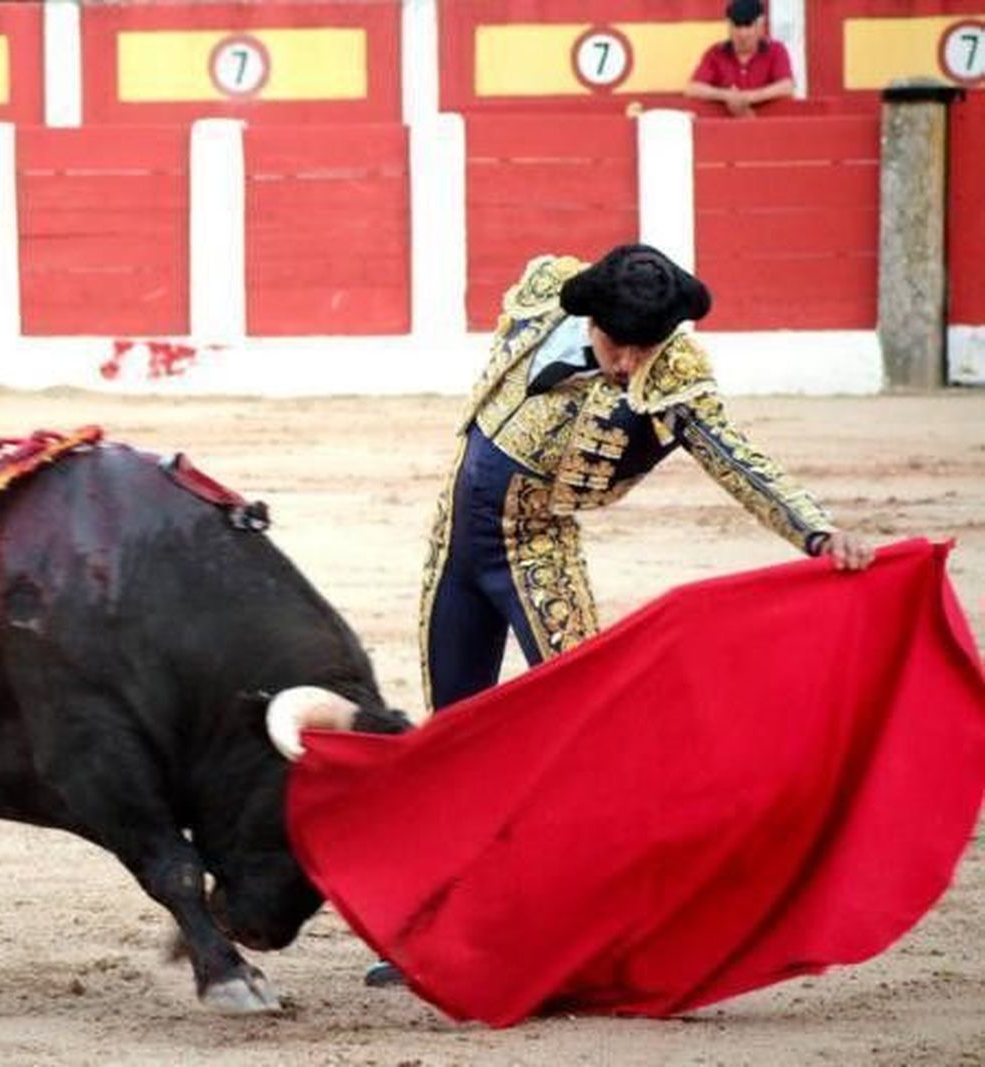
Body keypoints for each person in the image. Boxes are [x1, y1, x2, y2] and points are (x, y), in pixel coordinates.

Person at [365, 244, 872, 988]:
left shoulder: (676, 382)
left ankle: (589, 926)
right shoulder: (544, 293)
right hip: (455, 540)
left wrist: (817, 532)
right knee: (452, 735)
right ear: (587, 318)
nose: (631, 363)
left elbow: (738, 458)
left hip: (537, 551)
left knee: (588, 738)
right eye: (618, 344)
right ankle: (430, 930)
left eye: (648, 347)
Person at [685, 0, 795, 117]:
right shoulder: (716, 53)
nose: (742, 34)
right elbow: (693, 88)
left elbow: (786, 86)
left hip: (769, 125)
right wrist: (726, 95)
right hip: (727, 128)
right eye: (737, 26)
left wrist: (748, 97)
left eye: (748, 26)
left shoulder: (776, 50)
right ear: (729, 26)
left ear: (760, 25)